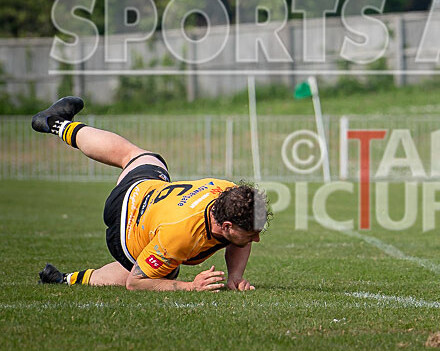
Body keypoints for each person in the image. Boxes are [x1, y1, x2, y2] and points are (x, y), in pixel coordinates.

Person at [33, 96, 271, 292]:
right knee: (162, 273)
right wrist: (191, 286)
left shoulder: (227, 192)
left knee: (140, 156)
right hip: (125, 226)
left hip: (145, 189)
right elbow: (135, 283)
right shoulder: (181, 236)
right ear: (227, 225)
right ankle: (56, 123)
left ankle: (56, 124)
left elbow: (240, 238)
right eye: (252, 232)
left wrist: (235, 276)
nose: (257, 238)